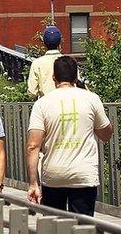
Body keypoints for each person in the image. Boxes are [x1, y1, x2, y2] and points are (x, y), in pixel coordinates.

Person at [26, 56, 113, 215]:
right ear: (76, 77)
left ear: (54, 78)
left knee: (53, 230)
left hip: (53, 176)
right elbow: (106, 134)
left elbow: (33, 146)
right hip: (83, 175)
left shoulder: (42, 104)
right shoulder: (91, 99)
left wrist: (33, 183)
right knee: (82, 231)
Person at [27, 25, 63, 98]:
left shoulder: (37, 63)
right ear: (60, 42)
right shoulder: (69, 61)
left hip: (45, 104)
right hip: (67, 104)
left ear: (44, 43)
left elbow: (32, 92)